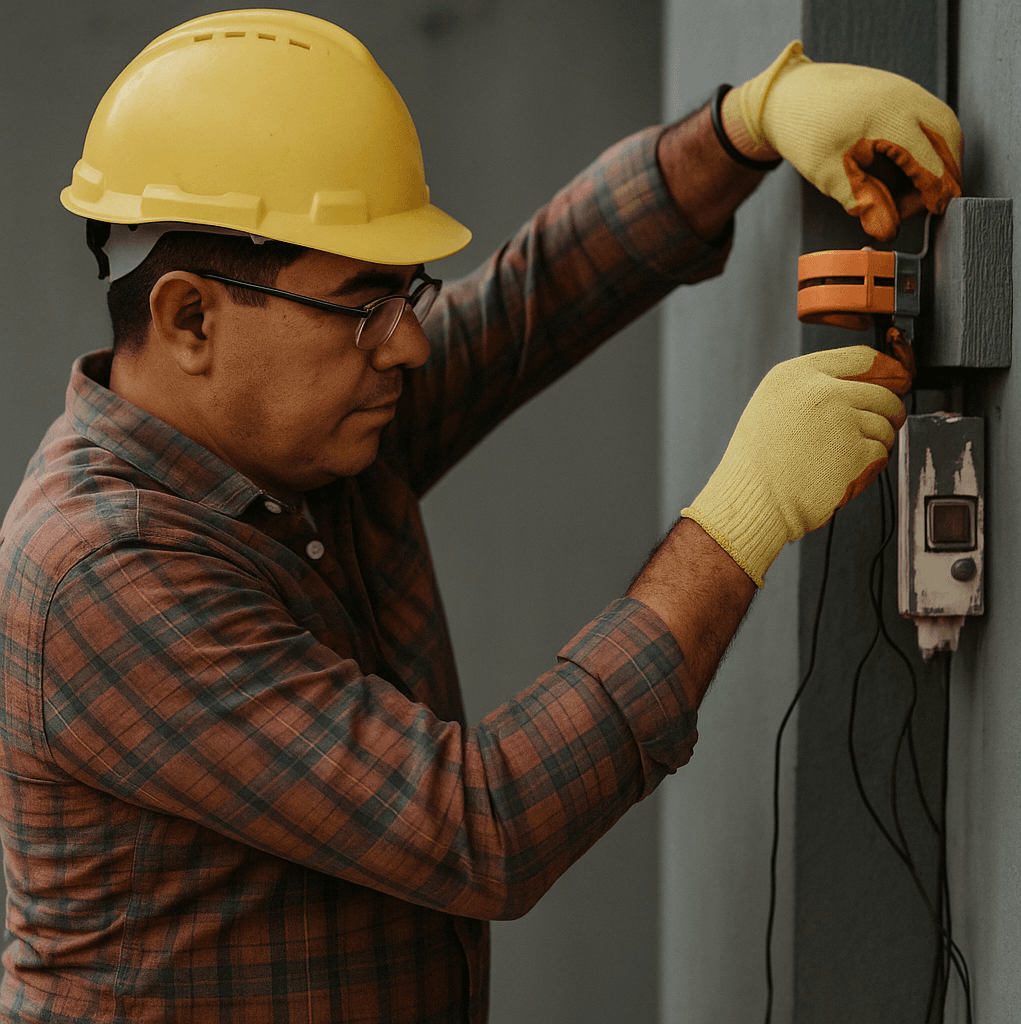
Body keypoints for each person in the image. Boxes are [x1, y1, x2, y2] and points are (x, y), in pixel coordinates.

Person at [0, 10, 961, 1023]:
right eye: (364, 306)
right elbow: (481, 826)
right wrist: (741, 517)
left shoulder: (296, 430)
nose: (408, 343)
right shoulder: (103, 572)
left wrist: (743, 126)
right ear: (191, 317)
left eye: (406, 295)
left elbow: (533, 296)